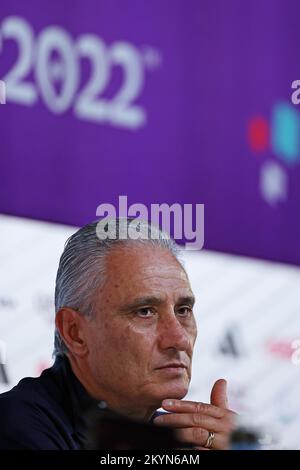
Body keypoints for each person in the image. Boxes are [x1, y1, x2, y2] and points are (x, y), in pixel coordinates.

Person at [0, 218, 236, 449]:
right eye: (145, 312)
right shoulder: (15, 427)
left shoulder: (183, 438)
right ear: (75, 333)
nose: (179, 339)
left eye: (183, 310)